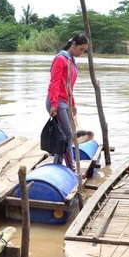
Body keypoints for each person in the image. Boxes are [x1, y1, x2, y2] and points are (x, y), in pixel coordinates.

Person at [46, 34, 89, 172]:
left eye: (84, 51)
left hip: (66, 101)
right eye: (81, 49)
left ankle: (57, 165)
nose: (81, 53)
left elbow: (69, 85)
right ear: (74, 44)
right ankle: (71, 169)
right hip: (57, 101)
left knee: (63, 136)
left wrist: (73, 103)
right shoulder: (61, 59)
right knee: (69, 134)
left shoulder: (71, 60)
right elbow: (55, 83)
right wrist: (54, 104)